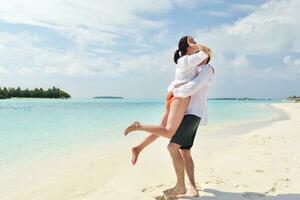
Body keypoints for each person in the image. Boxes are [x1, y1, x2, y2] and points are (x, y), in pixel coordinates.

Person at [124, 36, 214, 198]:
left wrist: (175, 92)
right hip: (183, 111)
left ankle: (185, 186)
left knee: (175, 145)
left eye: (202, 54)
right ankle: (183, 186)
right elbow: (176, 85)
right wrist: (173, 92)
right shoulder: (190, 66)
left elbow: (192, 87)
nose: (200, 55)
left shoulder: (206, 70)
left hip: (193, 113)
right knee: (178, 147)